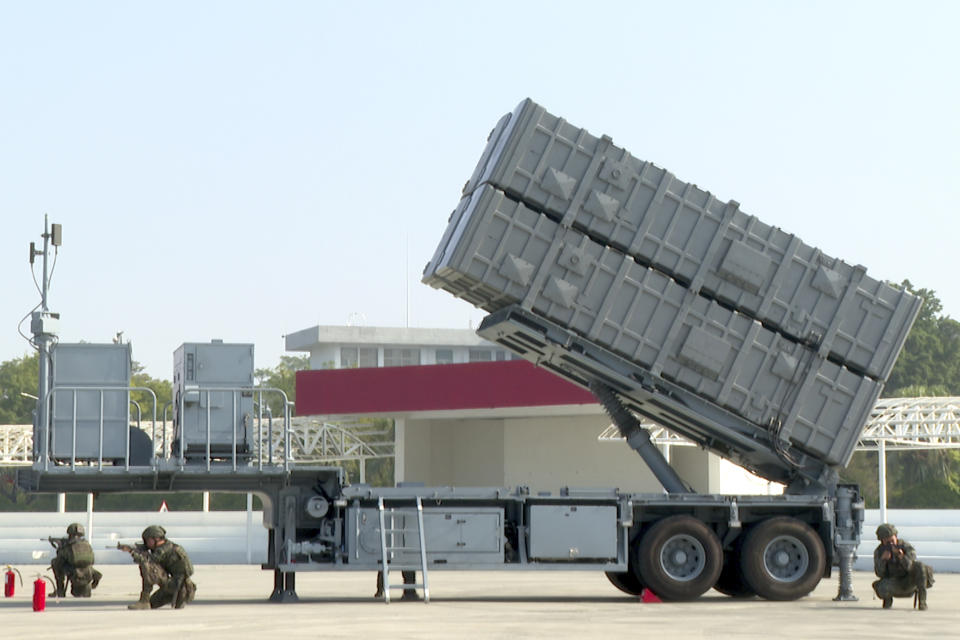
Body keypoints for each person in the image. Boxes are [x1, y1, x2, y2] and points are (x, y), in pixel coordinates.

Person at [119, 525, 196, 609]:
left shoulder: (162, 550)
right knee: (152, 604)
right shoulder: (169, 546)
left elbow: (148, 560)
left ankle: (144, 600)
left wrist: (132, 552)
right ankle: (176, 597)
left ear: (156, 539)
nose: (147, 543)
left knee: (147, 566)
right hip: (181, 586)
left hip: (177, 586)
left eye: (148, 540)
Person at [872, 523, 933, 610]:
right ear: (882, 541)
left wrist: (902, 557)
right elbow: (879, 573)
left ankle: (922, 601)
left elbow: (910, 566)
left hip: (909, 581)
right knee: (881, 587)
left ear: (896, 536)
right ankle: (887, 600)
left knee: (920, 566)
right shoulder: (879, 551)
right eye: (887, 541)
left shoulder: (905, 547)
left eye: (892, 540)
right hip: (893, 582)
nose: (890, 544)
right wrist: (883, 560)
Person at [49, 522, 102, 598]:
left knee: (55, 563)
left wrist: (60, 548)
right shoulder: (86, 544)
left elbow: (60, 558)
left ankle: (60, 590)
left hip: (73, 571)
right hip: (88, 571)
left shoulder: (68, 546)